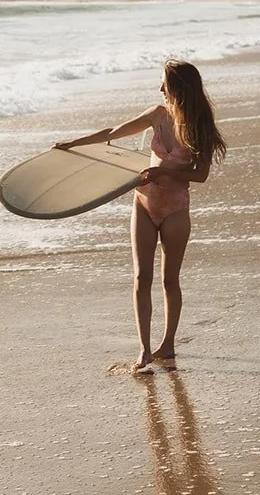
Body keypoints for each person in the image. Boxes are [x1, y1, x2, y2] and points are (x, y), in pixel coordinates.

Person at [54, 60, 227, 371]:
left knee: (169, 281)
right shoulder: (157, 115)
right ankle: (144, 350)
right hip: (144, 204)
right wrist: (75, 143)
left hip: (175, 208)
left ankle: (168, 345)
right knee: (139, 277)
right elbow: (113, 133)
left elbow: (200, 174)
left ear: (178, 88)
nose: (160, 89)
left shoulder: (198, 122)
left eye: (164, 83)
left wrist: (164, 169)